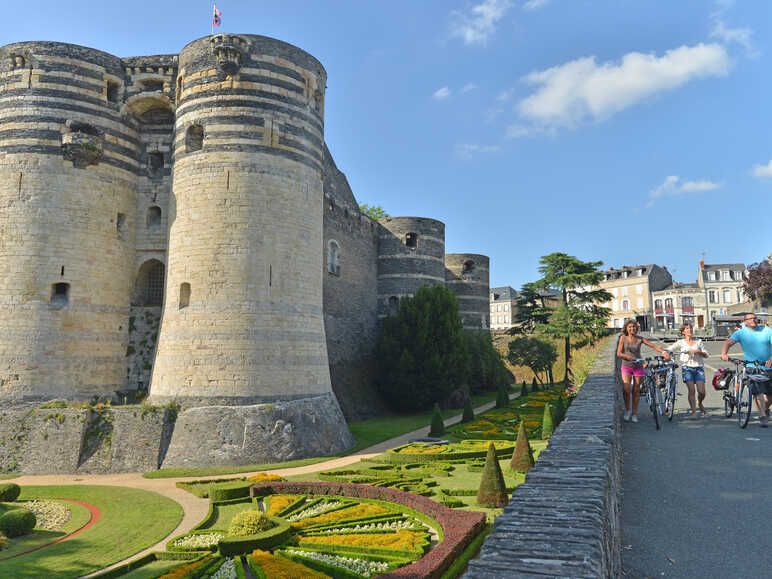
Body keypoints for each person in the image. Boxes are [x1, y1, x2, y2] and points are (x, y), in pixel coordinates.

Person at [721, 313, 772, 427]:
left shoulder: (767, 330)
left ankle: (765, 409)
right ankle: (762, 416)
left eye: (755, 318)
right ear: (745, 321)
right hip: (751, 367)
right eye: (751, 318)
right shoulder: (740, 333)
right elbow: (729, 342)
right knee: (757, 392)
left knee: (770, 395)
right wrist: (724, 354)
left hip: (768, 366)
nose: (754, 320)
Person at [617, 320, 670, 423]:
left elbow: (653, 346)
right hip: (626, 365)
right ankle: (627, 410)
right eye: (630, 327)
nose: (632, 329)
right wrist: (627, 357)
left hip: (638, 366)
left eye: (634, 327)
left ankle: (634, 413)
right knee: (627, 389)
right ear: (626, 328)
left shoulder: (640, 339)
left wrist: (664, 352)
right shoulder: (622, 338)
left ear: (637, 328)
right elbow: (619, 353)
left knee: (636, 390)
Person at [666, 323, 708, 419]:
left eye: (691, 328)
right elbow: (670, 348)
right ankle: (694, 412)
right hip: (687, 368)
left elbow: (706, 354)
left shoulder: (698, 342)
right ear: (683, 332)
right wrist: (665, 352)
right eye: (687, 328)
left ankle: (700, 402)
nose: (690, 330)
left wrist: (698, 352)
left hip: (698, 367)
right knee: (691, 390)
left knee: (701, 391)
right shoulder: (681, 342)